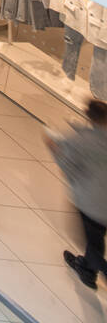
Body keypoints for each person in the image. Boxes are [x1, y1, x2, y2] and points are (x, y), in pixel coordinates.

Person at [52, 100, 107, 289]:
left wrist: (54, 149)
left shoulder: (81, 140)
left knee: (90, 243)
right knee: (96, 238)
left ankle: (94, 267)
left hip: (91, 202)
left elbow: (66, 166)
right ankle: (87, 271)